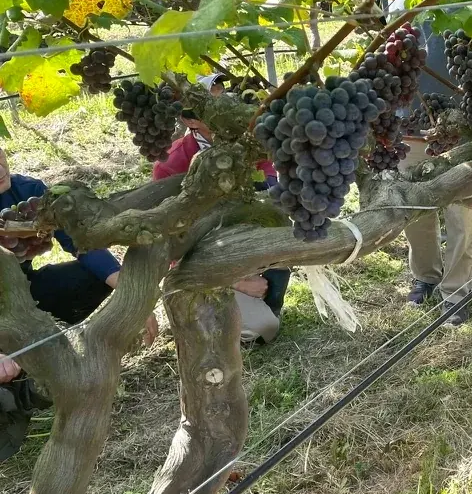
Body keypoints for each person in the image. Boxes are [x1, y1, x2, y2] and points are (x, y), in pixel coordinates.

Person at [1, 145, 158, 459]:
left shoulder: (28, 193)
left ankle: (32, 360)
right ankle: (20, 388)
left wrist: (131, 294)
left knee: (88, 279)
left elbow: (79, 242)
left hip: (21, 291)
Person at [152, 72, 290, 344]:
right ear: (189, 119)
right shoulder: (171, 164)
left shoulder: (246, 139)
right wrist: (236, 282)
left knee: (280, 223)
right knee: (263, 329)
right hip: (203, 263)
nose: (225, 108)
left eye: (223, 98)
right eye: (212, 104)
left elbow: (267, 175)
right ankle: (230, 313)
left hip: (238, 243)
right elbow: (172, 246)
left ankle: (263, 301)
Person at [397, 8, 472, 328]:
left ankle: (456, 291)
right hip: (410, 124)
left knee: (463, 213)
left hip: (463, 125)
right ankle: (426, 276)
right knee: (414, 208)